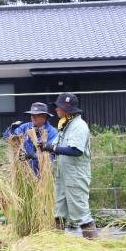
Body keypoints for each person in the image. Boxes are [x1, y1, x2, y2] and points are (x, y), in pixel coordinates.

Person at [38, 93, 98, 239]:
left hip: (75, 176)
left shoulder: (79, 126)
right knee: (59, 211)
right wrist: (43, 148)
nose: (56, 110)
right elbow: (57, 147)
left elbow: (76, 151)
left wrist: (51, 148)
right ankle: (59, 244)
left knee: (81, 211)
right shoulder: (66, 125)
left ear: (67, 109)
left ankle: (94, 246)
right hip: (63, 175)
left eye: (58, 107)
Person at [4, 102, 58, 175]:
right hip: (24, 170)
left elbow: (51, 155)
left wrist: (32, 156)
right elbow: (8, 139)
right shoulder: (25, 127)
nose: (33, 117)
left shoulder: (52, 132)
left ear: (44, 116)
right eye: (32, 115)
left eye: (37, 115)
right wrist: (11, 129)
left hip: (42, 172)